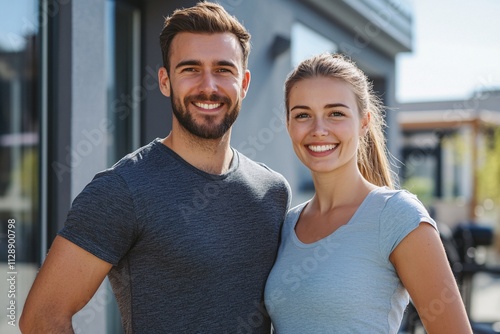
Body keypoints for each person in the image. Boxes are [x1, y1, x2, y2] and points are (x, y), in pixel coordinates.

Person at [20, 2, 290, 333]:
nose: (208, 86)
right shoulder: (122, 189)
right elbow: (42, 317)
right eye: (190, 69)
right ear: (165, 81)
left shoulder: (273, 190)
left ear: (244, 83)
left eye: (223, 69)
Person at [264, 53, 472, 333]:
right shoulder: (287, 224)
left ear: (363, 122)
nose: (319, 129)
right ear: (289, 125)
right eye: (303, 115)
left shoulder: (397, 215)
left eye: (335, 113)